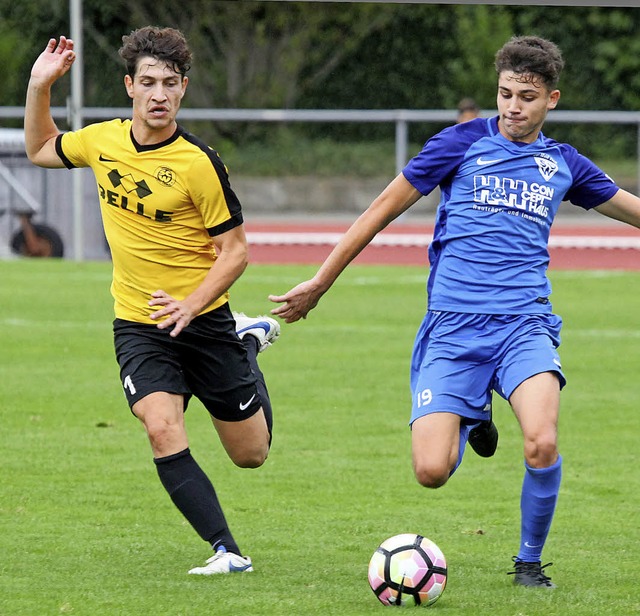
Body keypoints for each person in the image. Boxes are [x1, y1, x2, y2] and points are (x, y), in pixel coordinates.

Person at [269, 35, 640, 588]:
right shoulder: (459, 143)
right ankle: (475, 417)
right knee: (430, 472)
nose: (513, 107)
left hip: (524, 324)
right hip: (453, 328)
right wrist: (321, 281)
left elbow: (632, 210)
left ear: (552, 100)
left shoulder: (563, 164)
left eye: (527, 97)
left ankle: (529, 562)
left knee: (541, 439)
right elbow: (380, 211)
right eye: (505, 93)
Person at [24, 27, 281, 576]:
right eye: (148, 82)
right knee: (160, 425)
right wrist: (39, 86)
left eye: (169, 83)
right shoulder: (103, 140)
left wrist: (192, 305)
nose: (158, 93)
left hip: (206, 321)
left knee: (250, 453)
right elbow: (42, 148)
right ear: (129, 86)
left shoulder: (200, 164)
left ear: (183, 89)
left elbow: (234, 253)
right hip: (138, 321)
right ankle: (226, 551)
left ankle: (246, 343)